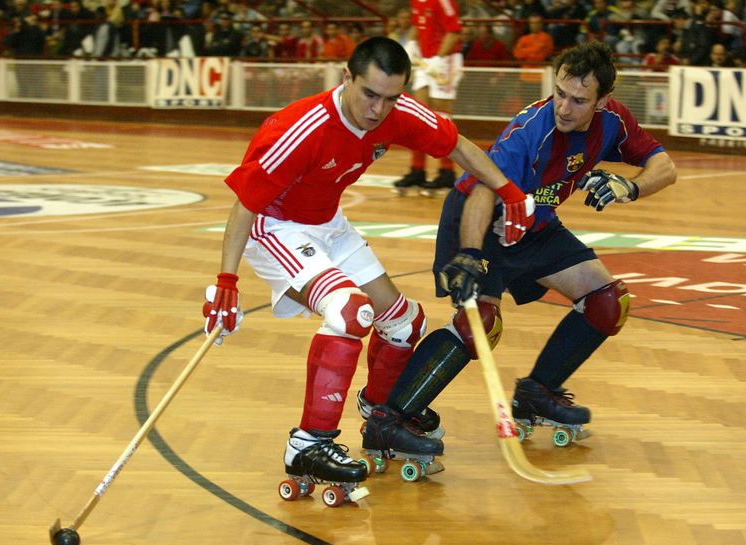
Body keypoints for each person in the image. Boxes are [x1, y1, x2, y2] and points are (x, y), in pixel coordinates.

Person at [203, 36, 524, 501]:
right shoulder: (300, 128)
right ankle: (308, 444)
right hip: (275, 227)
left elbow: (460, 147)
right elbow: (244, 207)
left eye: (390, 98)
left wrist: (510, 192)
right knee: (352, 313)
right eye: (369, 94)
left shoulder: (398, 113)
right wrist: (227, 281)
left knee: (403, 322)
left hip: (329, 223)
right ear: (346, 77)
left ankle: (381, 417)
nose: (377, 109)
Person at [362, 41, 677, 454]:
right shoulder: (531, 130)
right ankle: (390, 418)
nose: (564, 107)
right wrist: (471, 254)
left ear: (603, 101)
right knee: (481, 326)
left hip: (536, 227)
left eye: (578, 100)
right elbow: (481, 191)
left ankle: (537, 392)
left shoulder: (614, 122)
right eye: (559, 93)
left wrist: (631, 187)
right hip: (483, 218)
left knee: (607, 302)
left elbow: (665, 167)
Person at [393, 0, 464, 194]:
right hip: (426, 60)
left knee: (442, 116)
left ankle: (447, 172)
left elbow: (454, 31)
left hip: (446, 59)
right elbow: (419, 25)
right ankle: (418, 170)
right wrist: (409, 44)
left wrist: (439, 58)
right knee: (419, 115)